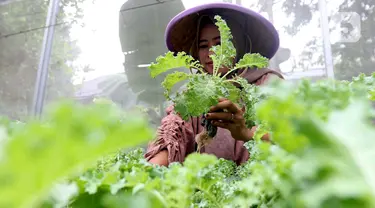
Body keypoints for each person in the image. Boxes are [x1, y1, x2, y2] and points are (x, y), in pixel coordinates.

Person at [145, 2, 284, 166]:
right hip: (209, 190)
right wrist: (146, 175)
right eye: (203, 45)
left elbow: (292, 141)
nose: (211, 52)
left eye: (219, 44)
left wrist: (247, 132)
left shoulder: (268, 85)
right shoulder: (195, 93)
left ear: (238, 45)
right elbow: (172, 136)